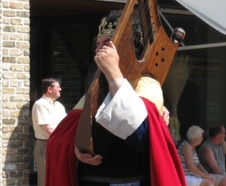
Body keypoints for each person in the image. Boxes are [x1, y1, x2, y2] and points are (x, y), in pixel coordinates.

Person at [45, 12, 186, 186]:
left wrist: (114, 76)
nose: (99, 50)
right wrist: (76, 150)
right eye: (97, 44)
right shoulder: (95, 88)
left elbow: (138, 134)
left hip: (129, 180)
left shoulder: (147, 84)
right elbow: (63, 137)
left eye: (107, 43)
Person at [31, 78, 67, 186]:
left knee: (58, 178)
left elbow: (65, 125)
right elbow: (49, 129)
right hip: (46, 145)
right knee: (46, 180)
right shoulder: (40, 104)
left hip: (59, 144)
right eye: (57, 87)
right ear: (49, 89)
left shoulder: (59, 106)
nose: (60, 89)